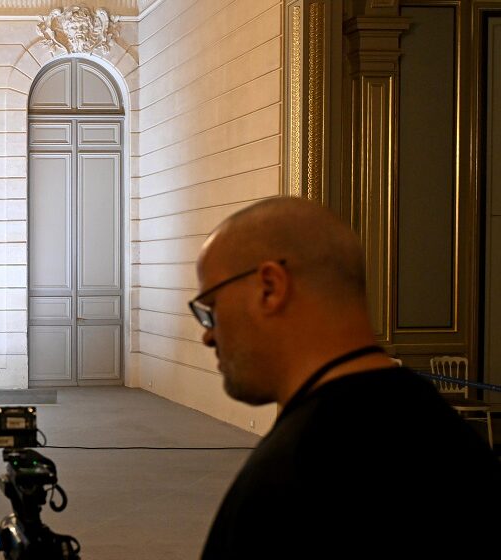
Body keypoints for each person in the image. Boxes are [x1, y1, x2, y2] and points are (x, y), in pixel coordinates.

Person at [193, 198, 501, 558]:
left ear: (270, 287)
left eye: (212, 307)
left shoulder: (291, 478)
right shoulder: (446, 433)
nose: (208, 335)